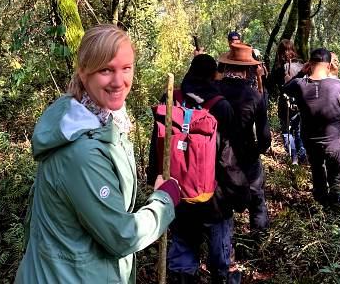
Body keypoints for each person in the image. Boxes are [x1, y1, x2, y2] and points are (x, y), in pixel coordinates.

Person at [16, 24, 181, 284]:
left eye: (126, 68)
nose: (119, 81)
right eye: (106, 70)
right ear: (84, 73)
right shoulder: (81, 151)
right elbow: (121, 236)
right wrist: (164, 202)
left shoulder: (99, 122)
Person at [148, 54, 246, 284]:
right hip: (214, 199)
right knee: (220, 259)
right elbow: (228, 158)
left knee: (182, 251)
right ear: (213, 75)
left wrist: (156, 180)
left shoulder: (170, 99)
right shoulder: (221, 106)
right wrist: (241, 194)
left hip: (177, 194)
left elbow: (158, 146)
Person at [283, 47, 340, 211]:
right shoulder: (339, 87)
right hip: (334, 143)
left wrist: (302, 72)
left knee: (318, 172)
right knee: (338, 178)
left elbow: (285, 87)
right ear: (329, 65)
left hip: (311, 143)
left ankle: (321, 208)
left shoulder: (299, 84)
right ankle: (335, 214)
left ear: (309, 64)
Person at [217, 42, 271, 233]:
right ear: (248, 69)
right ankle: (260, 238)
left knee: (220, 200)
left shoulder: (214, 89)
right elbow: (265, 137)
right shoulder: (254, 96)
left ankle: (225, 249)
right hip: (246, 153)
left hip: (216, 155)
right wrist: (258, 150)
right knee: (256, 195)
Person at [268, 39, 307, 165]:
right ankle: (298, 156)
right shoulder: (299, 66)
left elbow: (269, 83)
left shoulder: (285, 67)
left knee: (291, 130)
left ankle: (297, 157)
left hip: (292, 103)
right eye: (286, 50)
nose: (287, 53)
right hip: (294, 103)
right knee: (293, 130)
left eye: (288, 49)